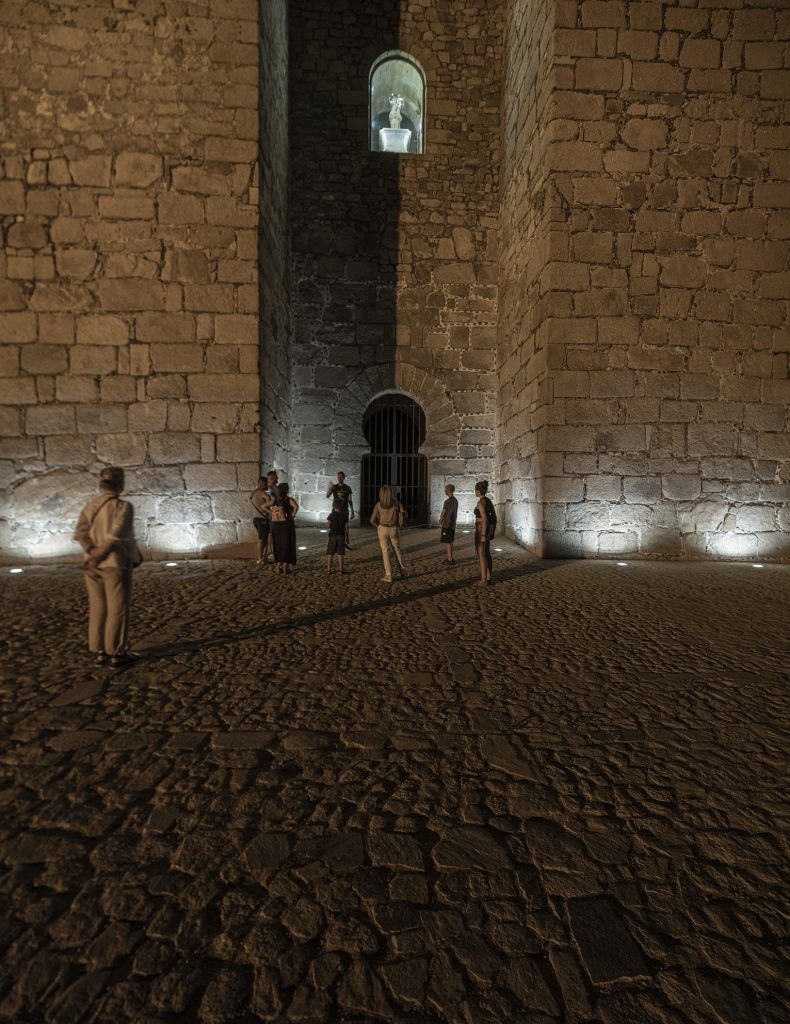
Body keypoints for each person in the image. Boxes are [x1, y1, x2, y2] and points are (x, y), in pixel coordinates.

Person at [73, 466, 140, 667]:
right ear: (120, 484)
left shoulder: (90, 506)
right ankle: (116, 651)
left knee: (98, 606)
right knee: (117, 607)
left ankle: (100, 650)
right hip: (114, 563)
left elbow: (80, 533)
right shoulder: (123, 507)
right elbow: (115, 535)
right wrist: (100, 554)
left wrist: (91, 553)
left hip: (91, 564)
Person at [370, 484, 407, 582]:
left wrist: (377, 526)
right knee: (397, 550)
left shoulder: (378, 505)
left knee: (385, 553)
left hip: (382, 528)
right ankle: (402, 571)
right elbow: (404, 513)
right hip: (394, 528)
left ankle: (389, 575)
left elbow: (372, 520)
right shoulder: (396, 503)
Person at [268, 483, 299, 574]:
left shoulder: (274, 500)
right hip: (286, 524)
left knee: (277, 544)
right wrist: (292, 515)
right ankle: (285, 566)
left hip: (276, 525)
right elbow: (296, 507)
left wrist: (272, 513)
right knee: (287, 544)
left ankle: (278, 566)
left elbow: (263, 506)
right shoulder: (289, 499)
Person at [250, 470, 278, 565]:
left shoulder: (253, 493)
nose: (267, 484)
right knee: (262, 539)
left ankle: (263, 557)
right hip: (262, 519)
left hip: (256, 518)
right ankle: (260, 558)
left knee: (263, 538)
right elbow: (270, 501)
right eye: (266, 482)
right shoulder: (262, 493)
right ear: (263, 483)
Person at [474, 480, 496, 586]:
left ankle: (483, 580)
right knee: (486, 553)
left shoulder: (480, 502)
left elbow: (485, 519)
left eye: (475, 490)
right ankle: (488, 576)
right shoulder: (488, 501)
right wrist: (492, 531)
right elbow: (494, 517)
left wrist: (482, 534)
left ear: (478, 491)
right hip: (486, 529)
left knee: (481, 555)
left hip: (480, 530)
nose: (475, 492)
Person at [326, 471, 354, 549]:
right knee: (334, 526)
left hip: (344, 510)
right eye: (338, 477)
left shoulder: (348, 488)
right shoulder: (334, 487)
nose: (339, 478)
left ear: (344, 477)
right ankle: (334, 543)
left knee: (345, 527)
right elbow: (327, 495)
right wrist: (329, 487)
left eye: (341, 477)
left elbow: (350, 500)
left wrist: (352, 510)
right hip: (335, 510)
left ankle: (345, 543)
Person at [325, 501, 348, 574]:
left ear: (333, 506)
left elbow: (328, 526)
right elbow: (346, 527)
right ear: (341, 506)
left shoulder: (331, 515)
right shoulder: (344, 515)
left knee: (330, 552)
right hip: (341, 535)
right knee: (340, 553)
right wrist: (347, 536)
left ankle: (329, 570)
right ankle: (341, 569)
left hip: (333, 535)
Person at [439, 483, 458, 564]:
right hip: (452, 524)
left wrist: (440, 519)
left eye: (445, 489)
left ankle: (450, 559)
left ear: (448, 490)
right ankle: (450, 557)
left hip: (447, 524)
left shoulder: (447, 501)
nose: (444, 491)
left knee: (448, 542)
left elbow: (444, 512)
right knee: (450, 542)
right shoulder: (455, 501)